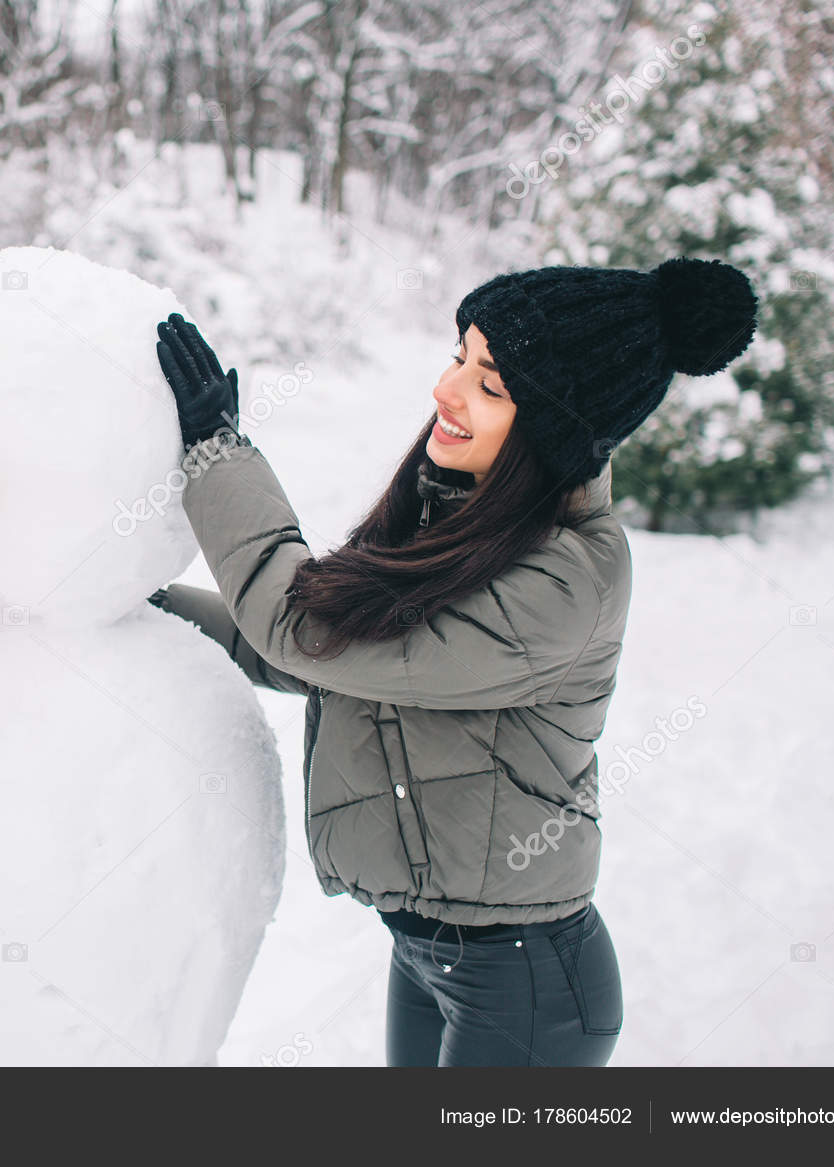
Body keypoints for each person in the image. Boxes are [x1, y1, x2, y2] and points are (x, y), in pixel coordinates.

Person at [150, 257, 757, 1066]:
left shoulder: (565, 580)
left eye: (492, 384)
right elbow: (313, 659)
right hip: (431, 954)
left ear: (554, 428)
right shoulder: (457, 517)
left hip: (527, 987)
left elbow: (310, 635)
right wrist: (127, 609)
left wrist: (216, 455)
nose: (446, 388)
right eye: (459, 354)